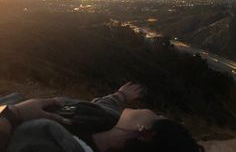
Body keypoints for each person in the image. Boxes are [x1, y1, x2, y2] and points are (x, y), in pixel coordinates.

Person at [0, 82, 204, 152]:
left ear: (145, 133)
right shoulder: (108, 124)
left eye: (157, 115)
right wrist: (120, 96)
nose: (152, 111)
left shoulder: (49, 145)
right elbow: (101, 106)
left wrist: (15, 113)